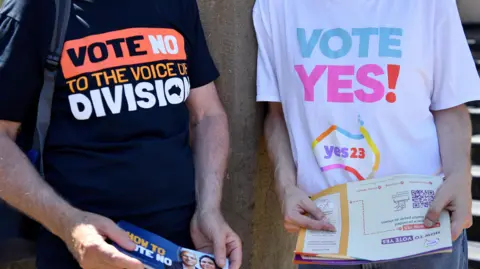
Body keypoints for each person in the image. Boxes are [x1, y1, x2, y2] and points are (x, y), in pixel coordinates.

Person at [0, 0, 242, 269]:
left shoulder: (176, 4)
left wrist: (209, 209)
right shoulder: (37, 9)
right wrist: (71, 226)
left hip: (180, 249)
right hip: (84, 253)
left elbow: (207, 114)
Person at [253, 0, 480, 268]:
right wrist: (286, 187)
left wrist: (459, 177)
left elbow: (449, 107)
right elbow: (277, 114)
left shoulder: (429, 4)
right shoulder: (275, 7)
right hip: (330, 234)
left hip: (424, 225)